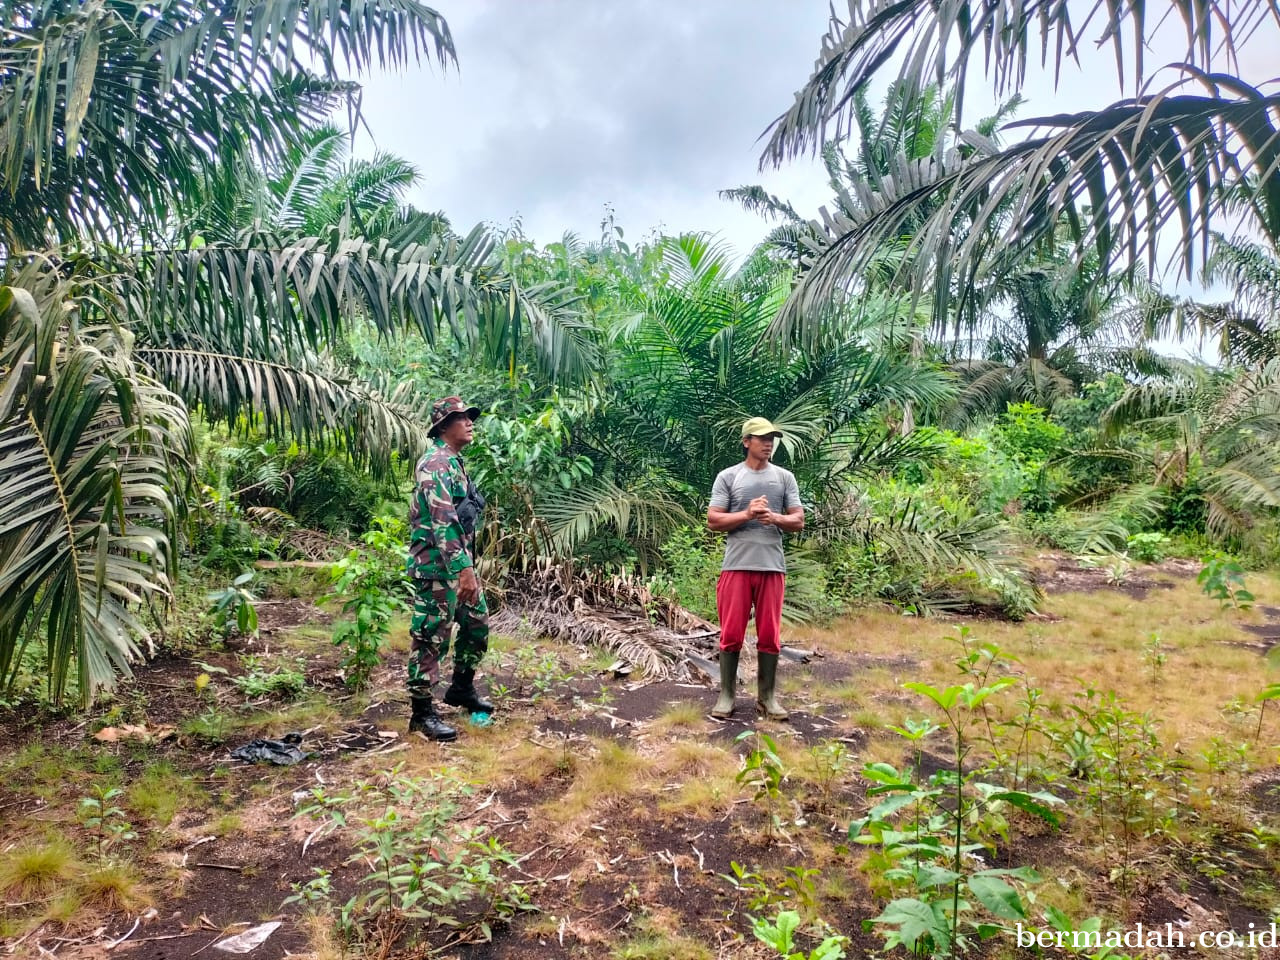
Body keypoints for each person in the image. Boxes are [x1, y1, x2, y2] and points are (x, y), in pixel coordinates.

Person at [405, 396, 494, 741]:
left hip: (457, 566)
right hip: (437, 568)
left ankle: (461, 689)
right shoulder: (436, 463)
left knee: (476, 625)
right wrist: (464, 570)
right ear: (443, 426)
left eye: (471, 416)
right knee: (430, 637)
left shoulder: (454, 462)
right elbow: (443, 520)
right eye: (462, 417)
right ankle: (421, 714)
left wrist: (465, 567)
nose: (470, 422)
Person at [706, 417, 805, 720]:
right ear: (746, 441)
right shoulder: (729, 476)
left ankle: (767, 698)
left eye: (772, 438)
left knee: (770, 634)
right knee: (732, 632)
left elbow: (798, 520)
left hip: (772, 567)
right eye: (762, 438)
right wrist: (747, 513)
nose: (768, 443)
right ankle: (726, 695)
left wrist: (774, 518)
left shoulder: (785, 478)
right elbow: (713, 520)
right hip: (736, 565)